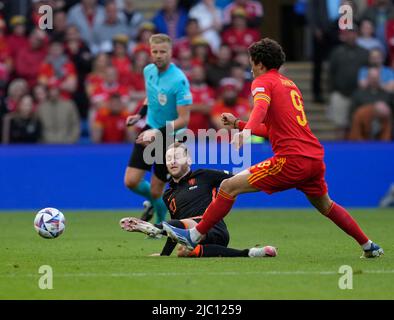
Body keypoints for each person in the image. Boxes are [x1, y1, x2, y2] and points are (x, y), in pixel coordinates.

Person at [163, 38, 384, 259]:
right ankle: (368, 245)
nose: (250, 67)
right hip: (313, 159)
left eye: (251, 62)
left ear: (259, 63)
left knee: (229, 187)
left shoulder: (262, 82)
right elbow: (274, 130)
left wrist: (246, 132)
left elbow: (260, 106)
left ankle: (195, 235)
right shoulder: (289, 84)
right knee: (326, 205)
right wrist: (239, 124)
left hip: (291, 159)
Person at [120, 142, 277, 258]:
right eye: (168, 159)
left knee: (174, 225)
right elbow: (175, 231)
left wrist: (267, 179)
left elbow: (238, 180)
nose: (172, 161)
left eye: (176, 157)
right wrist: (164, 256)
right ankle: (251, 253)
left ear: (188, 160)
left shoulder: (204, 175)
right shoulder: (168, 194)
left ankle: (153, 227)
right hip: (194, 236)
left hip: (214, 228)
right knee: (184, 252)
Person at [124, 33, 192, 224]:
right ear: (150, 52)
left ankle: (159, 225)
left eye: (163, 51)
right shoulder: (148, 71)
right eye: (155, 51)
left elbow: (184, 119)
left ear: (171, 52)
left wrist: (157, 133)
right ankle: (154, 204)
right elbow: (151, 96)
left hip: (171, 136)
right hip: (150, 127)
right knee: (131, 181)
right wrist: (139, 114)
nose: (159, 55)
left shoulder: (179, 80)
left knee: (156, 190)